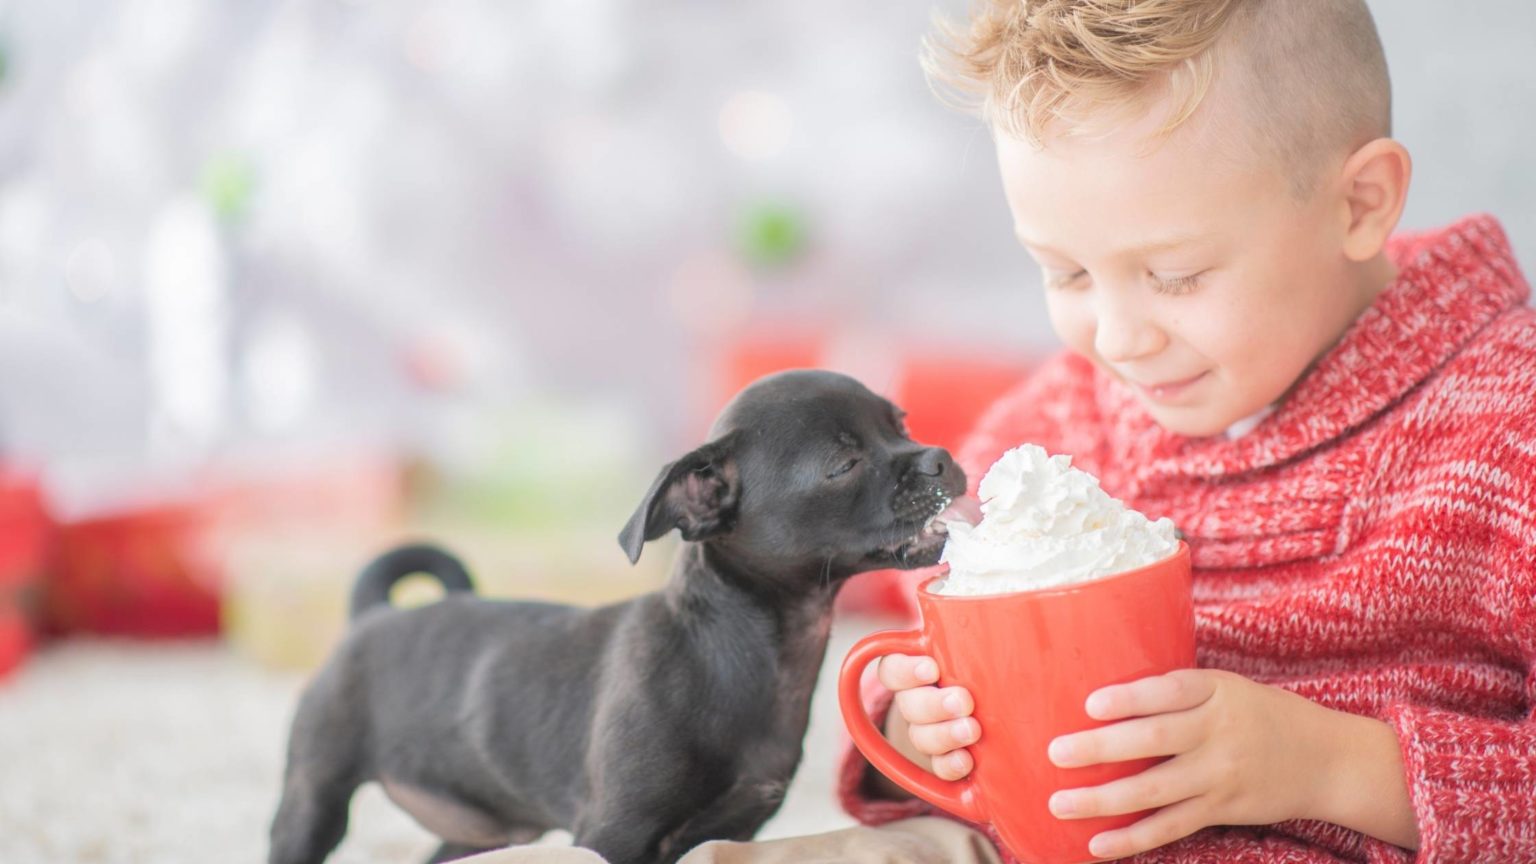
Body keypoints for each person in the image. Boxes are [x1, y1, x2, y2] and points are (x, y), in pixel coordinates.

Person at [470, 0, 1536, 861]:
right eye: (1064, 272)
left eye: (1176, 274)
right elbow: (919, 637)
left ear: (1359, 205)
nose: (1116, 336)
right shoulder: (1062, 419)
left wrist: (1339, 771)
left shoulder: (1506, 429)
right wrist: (911, 730)